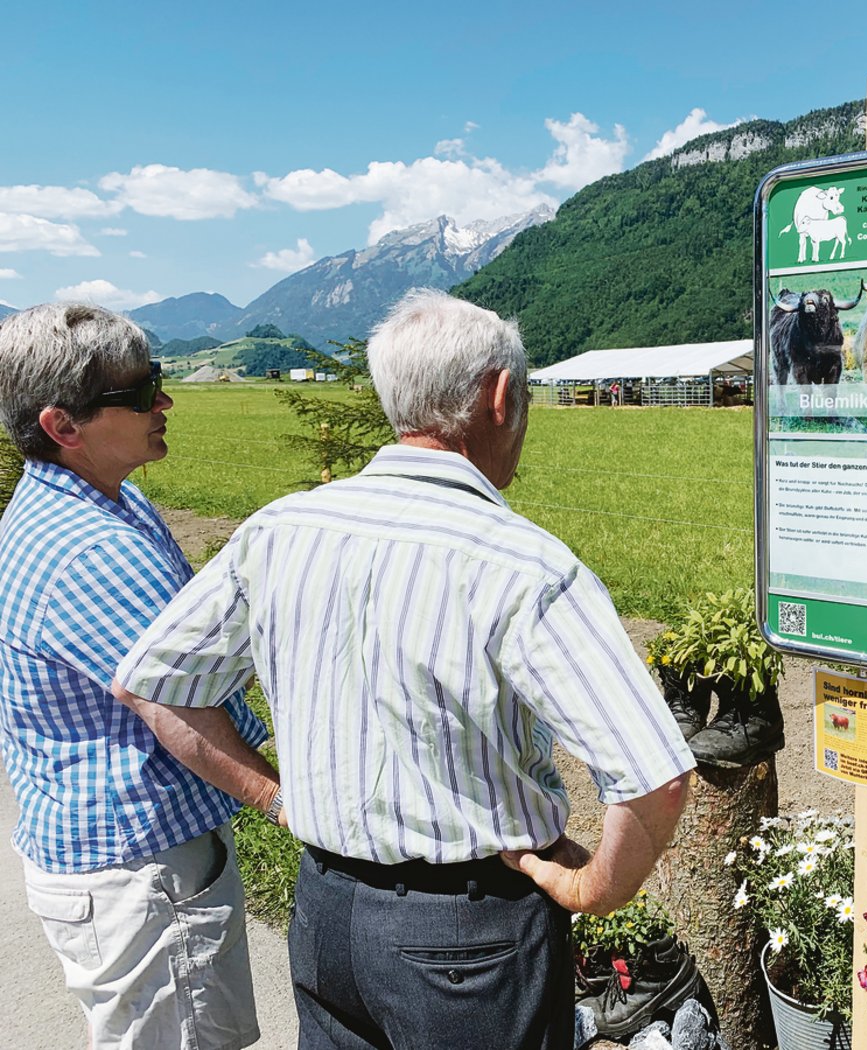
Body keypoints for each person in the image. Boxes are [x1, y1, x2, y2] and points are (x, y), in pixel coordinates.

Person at [113, 288, 695, 1050]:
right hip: (471, 938)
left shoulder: (282, 529)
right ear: (498, 398)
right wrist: (596, 889)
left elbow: (152, 685)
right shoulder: (522, 564)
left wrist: (274, 796)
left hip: (324, 911)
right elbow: (656, 778)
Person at [0, 303, 273, 1050]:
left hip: (130, 861)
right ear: (63, 426)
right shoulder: (90, 549)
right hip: (141, 875)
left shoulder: (107, 503)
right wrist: (291, 806)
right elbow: (182, 709)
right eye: (140, 391)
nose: (165, 400)